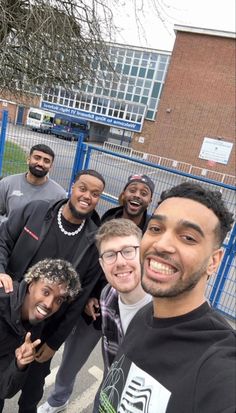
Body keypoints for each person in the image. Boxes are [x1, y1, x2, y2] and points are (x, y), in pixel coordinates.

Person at [97, 182, 236, 413]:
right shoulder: (143, 316)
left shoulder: (218, 361)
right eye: (156, 229)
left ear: (214, 261)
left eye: (188, 237)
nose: (161, 245)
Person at [0, 169, 106, 413]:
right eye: (83, 188)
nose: (87, 196)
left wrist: (54, 342)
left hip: (44, 329)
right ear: (72, 186)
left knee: (32, 393)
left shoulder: (93, 241)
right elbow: (3, 239)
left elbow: (77, 301)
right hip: (7, 315)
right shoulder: (36, 211)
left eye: (95, 194)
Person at [0, 257, 80, 413]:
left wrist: (19, 365)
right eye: (46, 291)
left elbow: (4, 390)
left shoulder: (35, 326)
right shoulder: (3, 301)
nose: (49, 304)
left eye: (59, 300)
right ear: (31, 285)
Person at [88, 218, 152, 412]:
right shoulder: (107, 296)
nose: (120, 262)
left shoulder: (170, 308)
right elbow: (111, 358)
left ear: (143, 253)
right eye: (110, 255)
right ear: (101, 264)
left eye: (128, 251)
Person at [0, 143, 66, 224]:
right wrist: (10, 226)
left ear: (51, 167)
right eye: (37, 158)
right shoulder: (7, 183)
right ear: (28, 159)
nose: (40, 163)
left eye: (46, 161)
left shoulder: (59, 195)